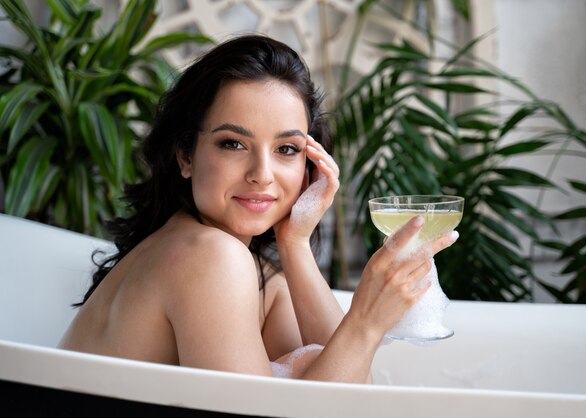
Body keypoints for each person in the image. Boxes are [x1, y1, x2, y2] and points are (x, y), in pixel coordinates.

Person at [58, 35, 458, 383]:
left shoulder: (252, 272)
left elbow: (349, 392)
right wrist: (366, 322)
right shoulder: (209, 256)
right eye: (233, 143)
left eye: (286, 149)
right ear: (186, 155)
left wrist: (295, 243)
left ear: (309, 164)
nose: (262, 175)